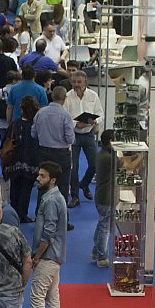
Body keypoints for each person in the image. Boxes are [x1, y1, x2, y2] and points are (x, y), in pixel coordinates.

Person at [24, 161, 67, 308]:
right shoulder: (57, 197)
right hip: (56, 256)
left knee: (37, 297)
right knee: (52, 297)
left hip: (48, 256)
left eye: (42, 176)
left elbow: (48, 232)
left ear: (52, 180)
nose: (38, 178)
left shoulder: (50, 200)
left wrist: (37, 256)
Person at [63, 72, 103, 207]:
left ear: (85, 82)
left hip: (88, 134)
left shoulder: (93, 96)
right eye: (74, 82)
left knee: (95, 164)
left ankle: (84, 184)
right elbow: (64, 117)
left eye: (79, 82)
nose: (76, 85)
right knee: (73, 168)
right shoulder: (67, 97)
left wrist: (95, 121)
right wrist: (76, 124)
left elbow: (100, 113)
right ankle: (75, 197)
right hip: (72, 135)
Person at [5, 96, 43, 222]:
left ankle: (13, 213)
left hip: (15, 162)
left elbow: (6, 141)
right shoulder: (37, 125)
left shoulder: (15, 124)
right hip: (31, 162)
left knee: (14, 188)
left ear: (22, 109)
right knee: (26, 189)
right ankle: (22, 215)